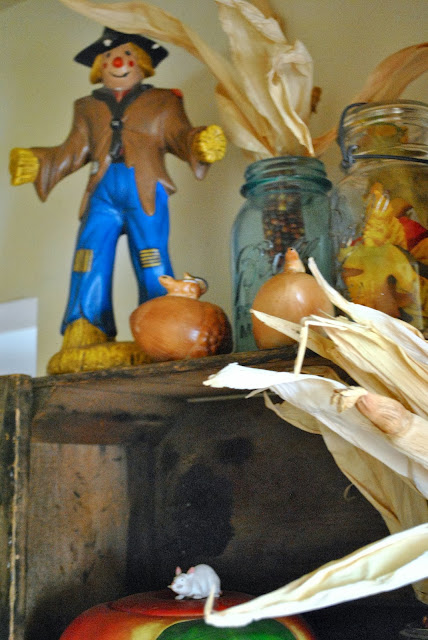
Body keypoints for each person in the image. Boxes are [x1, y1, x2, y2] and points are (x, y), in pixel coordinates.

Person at [9, 27, 226, 374]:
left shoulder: (164, 101)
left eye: (125, 55)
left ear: (141, 63)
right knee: (87, 256)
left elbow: (179, 135)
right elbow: (74, 150)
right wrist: (40, 161)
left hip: (145, 187)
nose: (118, 62)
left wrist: (199, 143)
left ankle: (161, 326)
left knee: (152, 257)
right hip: (101, 189)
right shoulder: (87, 107)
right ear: (100, 66)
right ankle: (84, 326)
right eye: (109, 57)